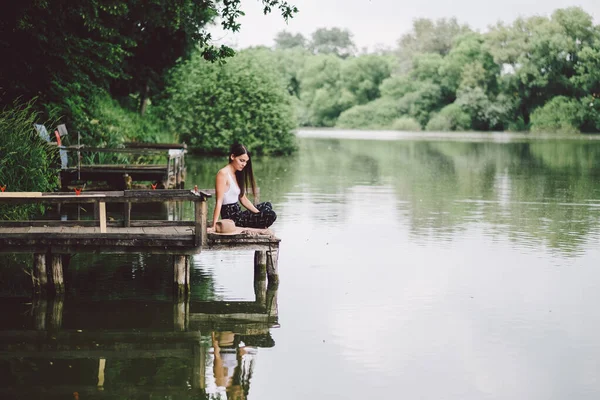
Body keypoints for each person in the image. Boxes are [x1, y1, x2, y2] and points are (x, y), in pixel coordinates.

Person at [211, 143, 277, 229]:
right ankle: (260, 222)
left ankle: (260, 220)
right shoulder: (223, 174)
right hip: (232, 219)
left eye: (246, 161)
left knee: (267, 205)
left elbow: (243, 199)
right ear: (232, 157)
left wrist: (258, 214)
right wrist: (214, 225)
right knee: (271, 215)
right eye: (241, 160)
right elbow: (219, 201)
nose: (244, 164)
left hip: (239, 214)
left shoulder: (236, 174)